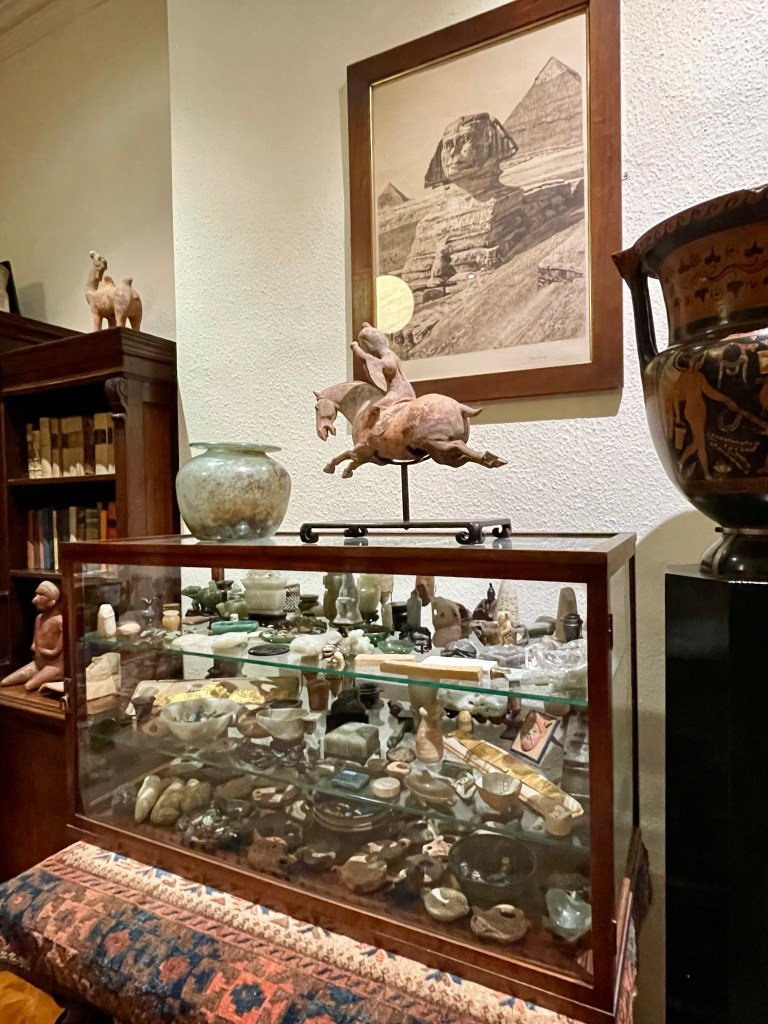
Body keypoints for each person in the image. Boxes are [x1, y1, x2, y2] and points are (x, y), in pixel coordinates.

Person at [351, 322, 415, 444]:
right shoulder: (392, 354)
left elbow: (378, 363)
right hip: (406, 390)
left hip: (398, 393)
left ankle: (363, 441)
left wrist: (356, 348)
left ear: (370, 345)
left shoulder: (388, 356)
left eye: (366, 347)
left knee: (371, 410)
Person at [0, 581, 64, 692]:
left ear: (52, 601)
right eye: (36, 594)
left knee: (29, 685)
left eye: (41, 596)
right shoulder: (39, 618)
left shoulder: (60, 621)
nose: (34, 600)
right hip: (39, 662)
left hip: (54, 666)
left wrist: (48, 652)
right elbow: (35, 642)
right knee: (5, 682)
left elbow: (58, 650)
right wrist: (36, 648)